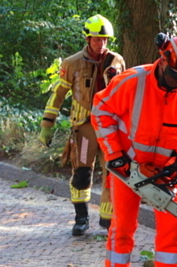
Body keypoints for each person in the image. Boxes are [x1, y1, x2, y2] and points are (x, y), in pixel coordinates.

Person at [90, 33, 177, 267]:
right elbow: (100, 110)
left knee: (173, 230)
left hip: (166, 172)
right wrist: (116, 155)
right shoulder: (132, 82)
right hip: (129, 168)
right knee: (123, 228)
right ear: (164, 62)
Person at [39, 15, 125, 236]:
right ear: (87, 38)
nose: (101, 44)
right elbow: (58, 95)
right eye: (97, 39)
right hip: (85, 128)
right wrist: (47, 124)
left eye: (105, 39)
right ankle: (81, 218)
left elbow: (126, 95)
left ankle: (107, 220)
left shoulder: (117, 61)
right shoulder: (72, 63)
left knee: (113, 173)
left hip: (111, 129)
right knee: (82, 173)